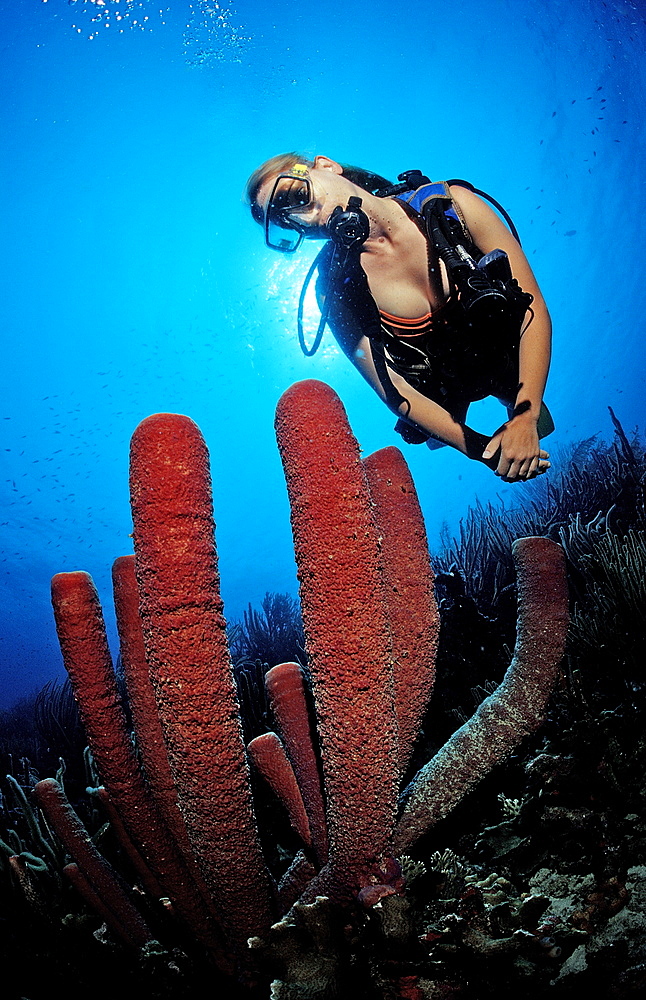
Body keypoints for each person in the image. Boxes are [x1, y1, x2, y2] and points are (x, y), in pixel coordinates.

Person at [246, 153, 554, 482]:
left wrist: (525, 412)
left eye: (295, 196)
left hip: (500, 356)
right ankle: (449, 422)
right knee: (432, 430)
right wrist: (482, 450)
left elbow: (531, 307)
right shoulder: (335, 291)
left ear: (326, 165)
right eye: (288, 224)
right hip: (441, 386)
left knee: (533, 412)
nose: (304, 221)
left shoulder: (454, 206)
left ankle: (513, 398)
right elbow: (395, 391)